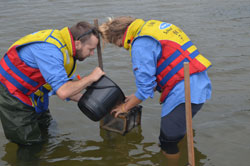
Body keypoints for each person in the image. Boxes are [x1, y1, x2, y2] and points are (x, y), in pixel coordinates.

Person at [99, 16, 212, 162]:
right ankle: (182, 152)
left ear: (121, 35)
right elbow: (161, 72)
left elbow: (145, 89)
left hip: (183, 91)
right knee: (178, 127)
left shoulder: (139, 44)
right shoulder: (153, 27)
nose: (121, 47)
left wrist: (125, 107)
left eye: (118, 44)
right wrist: (134, 96)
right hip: (198, 83)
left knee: (168, 141)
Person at [0, 21, 105, 146]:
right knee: (30, 144)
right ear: (77, 44)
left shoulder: (65, 47)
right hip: (13, 94)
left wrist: (98, 103)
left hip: (34, 94)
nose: (92, 53)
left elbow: (67, 90)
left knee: (48, 129)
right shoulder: (51, 51)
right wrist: (91, 78)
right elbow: (64, 91)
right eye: (90, 49)